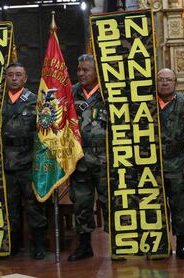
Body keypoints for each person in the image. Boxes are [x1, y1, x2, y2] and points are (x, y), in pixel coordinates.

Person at [2, 62, 47, 260]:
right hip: (6, 161)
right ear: (5, 78)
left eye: (18, 75)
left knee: (33, 206)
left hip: (28, 160)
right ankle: (15, 244)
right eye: (10, 75)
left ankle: (38, 245)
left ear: (25, 78)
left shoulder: (34, 101)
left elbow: (43, 131)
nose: (14, 78)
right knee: (10, 206)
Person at [67, 54, 108, 261]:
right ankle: (84, 246)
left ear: (96, 72)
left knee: (110, 201)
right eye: (79, 70)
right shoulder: (71, 92)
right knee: (81, 203)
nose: (81, 73)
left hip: (104, 160)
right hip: (80, 159)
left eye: (86, 70)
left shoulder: (108, 91)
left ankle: (118, 244)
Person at [157, 68, 184, 259]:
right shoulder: (146, 103)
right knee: (155, 206)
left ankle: (182, 244)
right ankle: (160, 244)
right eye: (161, 80)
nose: (164, 83)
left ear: (175, 82)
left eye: (168, 79)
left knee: (179, 206)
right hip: (152, 165)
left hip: (176, 162)